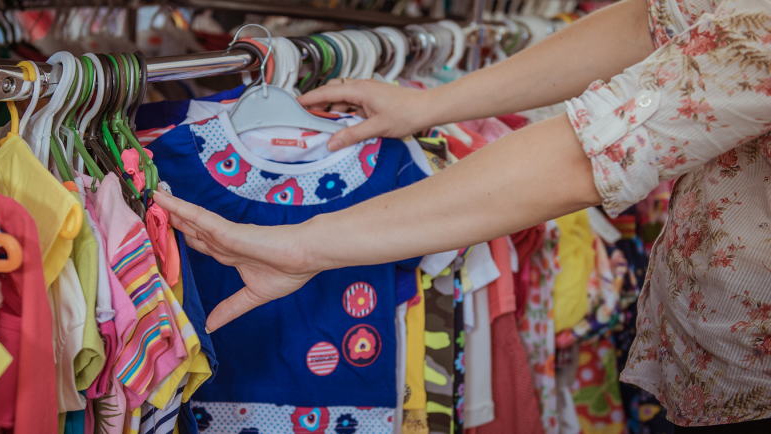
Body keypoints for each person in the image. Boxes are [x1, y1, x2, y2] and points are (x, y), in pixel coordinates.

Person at [152, 0, 771, 430]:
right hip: (717, 354)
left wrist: (306, 245)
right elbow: (655, 21)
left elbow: (591, 157)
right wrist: (430, 106)